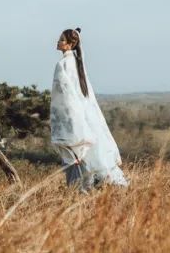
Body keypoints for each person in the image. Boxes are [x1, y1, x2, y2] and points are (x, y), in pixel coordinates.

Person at [49, 28, 128, 191]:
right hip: (86, 115)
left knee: (76, 156)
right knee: (92, 154)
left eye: (62, 40)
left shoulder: (62, 64)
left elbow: (64, 96)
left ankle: (81, 191)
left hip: (73, 117)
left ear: (72, 44)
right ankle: (99, 187)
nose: (58, 42)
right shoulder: (78, 64)